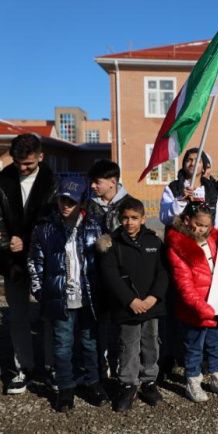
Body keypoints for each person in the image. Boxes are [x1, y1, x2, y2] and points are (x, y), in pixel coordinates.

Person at [27, 177, 108, 412]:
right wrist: (41, 291)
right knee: (62, 344)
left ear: (82, 202)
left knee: (90, 342)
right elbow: (35, 261)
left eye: (71, 202)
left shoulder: (94, 225)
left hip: (88, 296)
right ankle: (65, 388)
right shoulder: (45, 227)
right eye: (62, 200)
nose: (65, 206)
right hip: (59, 296)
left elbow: (103, 262)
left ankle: (92, 382)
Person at [98, 198, 169, 411]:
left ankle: (149, 381)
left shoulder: (154, 242)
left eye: (134, 218)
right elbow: (110, 275)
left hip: (151, 305)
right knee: (128, 345)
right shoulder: (112, 243)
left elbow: (163, 272)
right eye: (125, 218)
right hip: (127, 307)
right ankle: (128, 383)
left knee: (151, 343)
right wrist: (130, 300)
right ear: (120, 219)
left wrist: (153, 297)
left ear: (143, 218)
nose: (130, 222)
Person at [0, 133, 57, 394]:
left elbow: (55, 224)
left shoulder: (53, 183)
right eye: (18, 162)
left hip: (45, 260)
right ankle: (23, 367)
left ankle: (51, 366)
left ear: (41, 157)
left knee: (49, 315)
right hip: (12, 260)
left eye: (29, 164)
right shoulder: (3, 180)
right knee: (18, 316)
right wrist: (6, 243)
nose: (22, 168)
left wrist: (27, 240)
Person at [166, 201, 218, 402]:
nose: (203, 229)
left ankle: (217, 376)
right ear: (187, 220)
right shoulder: (179, 246)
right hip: (194, 308)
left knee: (216, 342)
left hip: (216, 303)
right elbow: (184, 284)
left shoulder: (213, 238)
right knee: (194, 345)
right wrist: (200, 307)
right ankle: (193, 380)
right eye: (199, 224)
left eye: (207, 226)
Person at [87, 159, 134, 380]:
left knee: (122, 324)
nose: (93, 186)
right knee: (99, 323)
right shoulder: (87, 206)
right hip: (94, 276)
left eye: (97, 182)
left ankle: (122, 367)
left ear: (112, 182)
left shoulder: (131, 205)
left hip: (122, 278)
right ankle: (100, 366)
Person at [160, 148, 218, 227]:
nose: (193, 163)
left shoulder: (211, 192)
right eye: (189, 160)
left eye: (198, 161)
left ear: (204, 168)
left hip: (204, 239)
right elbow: (164, 218)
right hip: (180, 237)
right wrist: (181, 201)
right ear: (183, 165)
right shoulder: (173, 188)